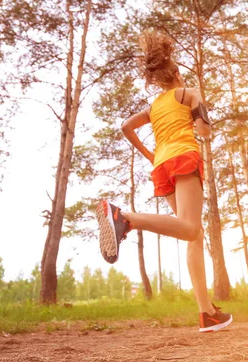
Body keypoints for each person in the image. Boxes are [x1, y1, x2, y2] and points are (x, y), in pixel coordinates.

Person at [95, 29, 232, 333]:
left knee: (192, 237)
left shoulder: (154, 106)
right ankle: (124, 218)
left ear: (159, 78)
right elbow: (204, 132)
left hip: (163, 165)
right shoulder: (189, 93)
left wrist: (150, 154)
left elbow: (126, 126)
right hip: (184, 158)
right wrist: (200, 111)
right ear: (177, 73)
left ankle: (206, 313)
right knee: (191, 228)